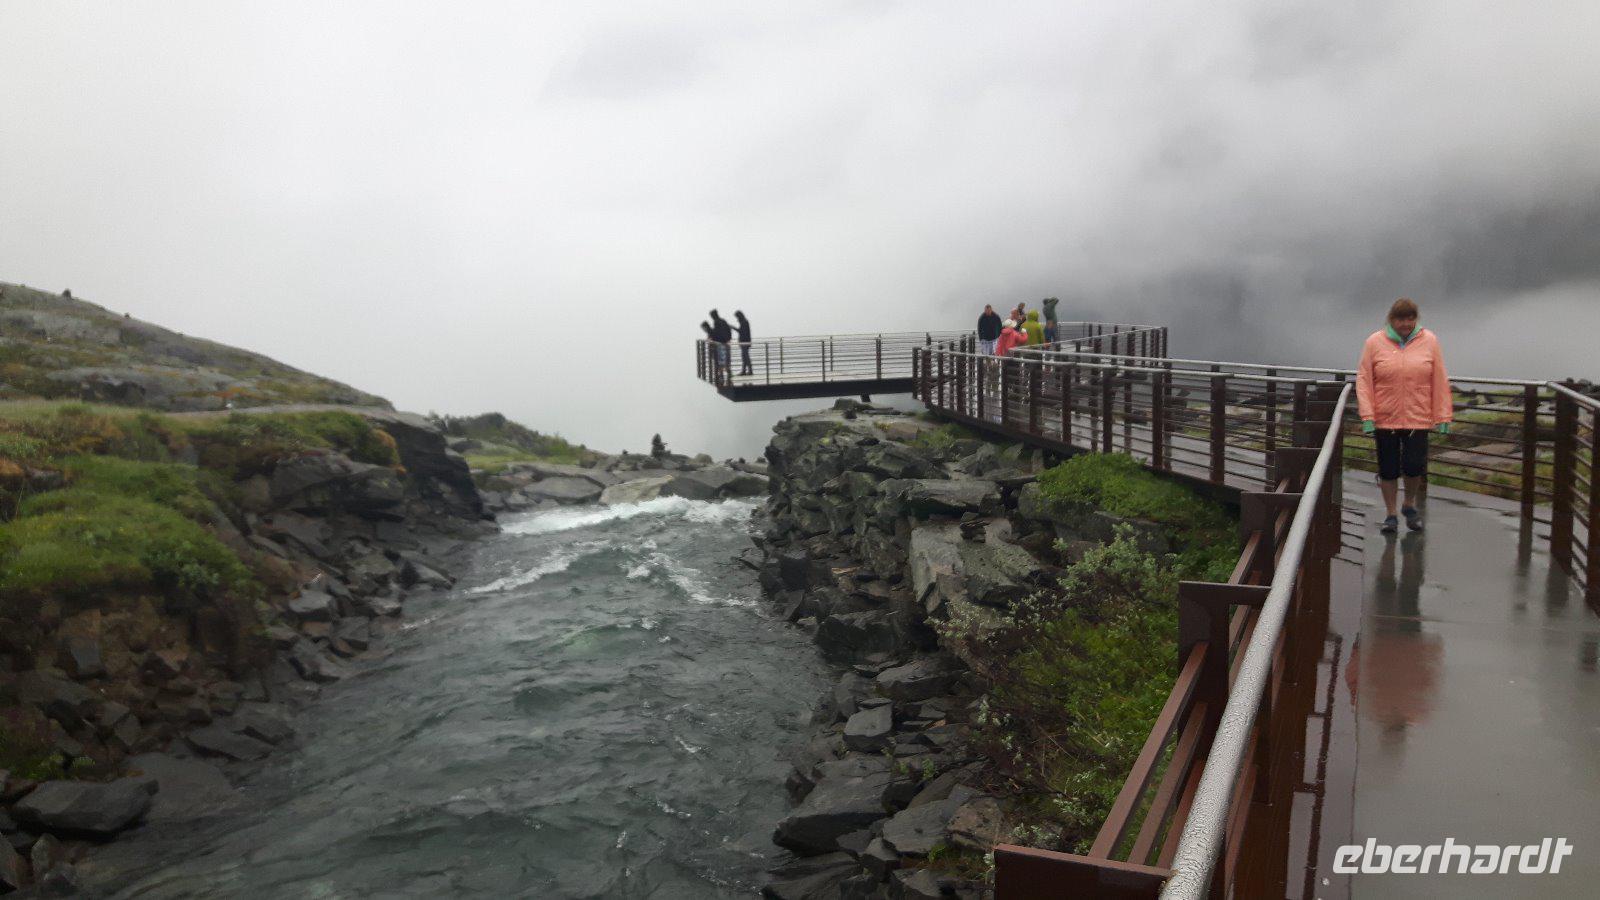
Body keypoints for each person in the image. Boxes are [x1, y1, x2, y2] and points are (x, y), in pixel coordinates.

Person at [1356, 297, 1452, 534]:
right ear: (1392, 319)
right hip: (1384, 417)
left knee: (1413, 465)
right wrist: (1367, 416)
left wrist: (1442, 416)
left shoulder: (1430, 341)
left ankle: (1409, 504)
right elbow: (1364, 380)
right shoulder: (1374, 342)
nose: (1406, 323)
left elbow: (1439, 379)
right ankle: (1391, 514)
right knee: (1388, 468)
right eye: (1401, 318)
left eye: (1410, 318)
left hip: (1418, 417)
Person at [734, 310, 754, 375]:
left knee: (745, 357)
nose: (737, 318)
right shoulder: (745, 322)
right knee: (744, 357)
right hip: (745, 342)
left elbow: (742, 332)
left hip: (744, 342)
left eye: (737, 317)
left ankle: (749, 370)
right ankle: (744, 370)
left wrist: (733, 328)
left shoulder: (744, 322)